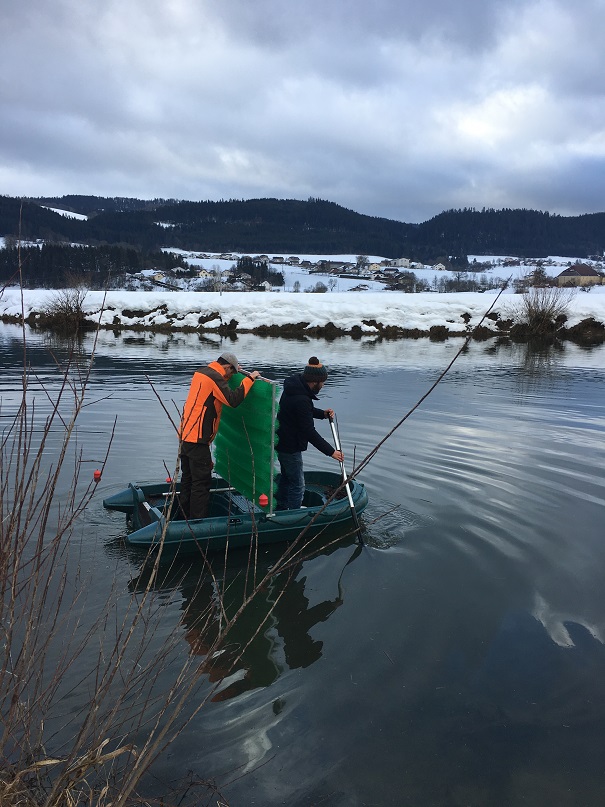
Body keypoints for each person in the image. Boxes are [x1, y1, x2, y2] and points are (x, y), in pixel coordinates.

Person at [179, 351, 259, 519]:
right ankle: (196, 523)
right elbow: (232, 400)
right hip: (198, 439)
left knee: (188, 479)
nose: (230, 377)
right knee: (201, 483)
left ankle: (182, 517)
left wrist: (233, 372)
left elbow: (217, 386)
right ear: (227, 367)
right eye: (231, 372)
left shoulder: (202, 372)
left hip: (185, 434)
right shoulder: (215, 378)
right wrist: (249, 379)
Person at [275, 356, 344, 510]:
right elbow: (308, 432)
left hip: (282, 442)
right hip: (290, 447)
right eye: (322, 382)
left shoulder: (293, 389)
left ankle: (280, 508)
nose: (323, 385)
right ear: (315, 381)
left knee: (286, 478)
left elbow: (304, 412)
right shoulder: (301, 398)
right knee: (298, 485)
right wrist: (331, 452)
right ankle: (293, 516)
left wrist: (322, 414)